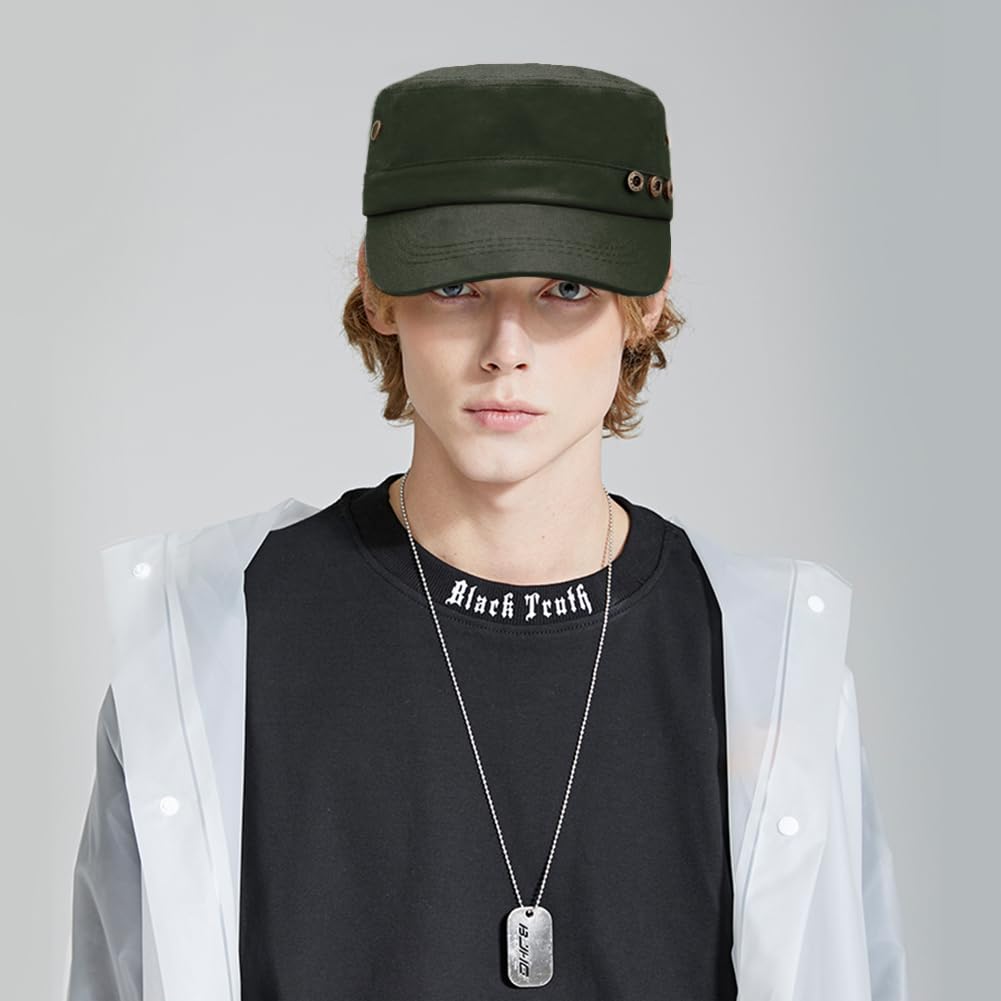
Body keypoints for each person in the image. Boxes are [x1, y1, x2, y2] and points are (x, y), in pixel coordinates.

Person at [65, 63, 909, 1000]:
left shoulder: (766, 662)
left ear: (646, 303)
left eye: (566, 289)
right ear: (377, 290)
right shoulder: (210, 647)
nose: (506, 347)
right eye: (456, 283)